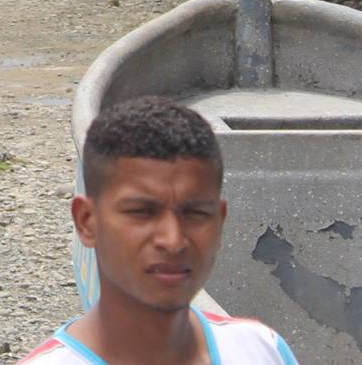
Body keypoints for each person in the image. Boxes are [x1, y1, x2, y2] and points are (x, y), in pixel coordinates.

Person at [18, 97, 298, 365]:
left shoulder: (261, 351)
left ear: (220, 223)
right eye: (141, 213)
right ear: (86, 221)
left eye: (195, 213)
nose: (173, 240)